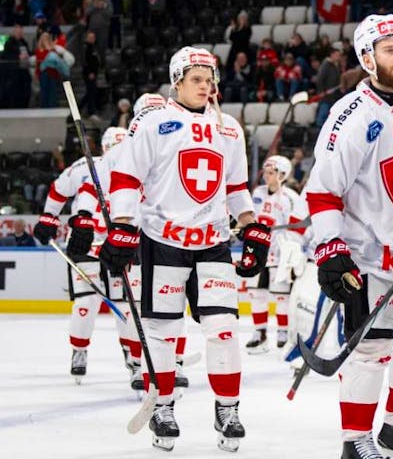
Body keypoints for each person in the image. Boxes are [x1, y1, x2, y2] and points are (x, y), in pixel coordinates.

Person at [102, 47, 271, 452]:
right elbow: (126, 175)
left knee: (224, 331)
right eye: (196, 78)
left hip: (213, 244)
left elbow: (236, 188)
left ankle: (227, 409)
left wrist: (251, 227)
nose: (205, 85)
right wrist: (123, 227)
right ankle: (162, 405)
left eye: (209, 78)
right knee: (162, 333)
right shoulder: (153, 121)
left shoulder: (229, 128)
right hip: (163, 242)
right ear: (177, 80)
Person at [303, 14, 393, 459]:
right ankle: (355, 440)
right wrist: (331, 250)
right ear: (367, 58)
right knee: (371, 351)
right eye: (389, 49)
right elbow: (324, 189)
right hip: (368, 257)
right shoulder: (350, 113)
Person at [33, 128, 137, 384]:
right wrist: (49, 217)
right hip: (85, 246)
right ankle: (79, 351)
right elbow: (59, 189)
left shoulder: (139, 168)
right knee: (85, 304)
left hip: (117, 246)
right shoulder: (84, 167)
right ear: (105, 148)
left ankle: (132, 357)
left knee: (124, 305)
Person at [245, 155, 308, 353]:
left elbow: (296, 228)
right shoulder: (258, 192)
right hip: (256, 250)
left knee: (281, 296)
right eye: (266, 171)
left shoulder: (291, 197)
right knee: (256, 293)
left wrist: (292, 252)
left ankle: (282, 332)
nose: (266, 176)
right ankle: (259, 333)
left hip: (280, 252)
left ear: (282, 174)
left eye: (271, 172)